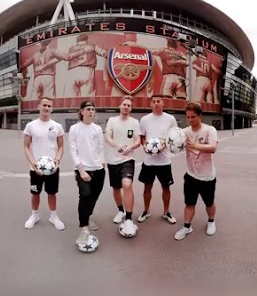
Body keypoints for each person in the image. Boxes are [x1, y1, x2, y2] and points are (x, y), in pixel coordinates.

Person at [174, 102, 218, 240]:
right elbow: (173, 143)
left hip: (207, 177)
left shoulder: (209, 130)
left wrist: (195, 145)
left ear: (200, 116)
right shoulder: (185, 132)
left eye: (193, 117)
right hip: (191, 175)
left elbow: (213, 148)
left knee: (209, 203)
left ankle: (211, 221)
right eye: (188, 117)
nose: (190, 120)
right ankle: (187, 227)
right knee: (189, 203)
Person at [22, 97, 65, 230]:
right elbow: (26, 146)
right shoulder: (31, 125)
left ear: (51, 109)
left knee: (52, 193)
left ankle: (53, 216)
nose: (46, 108)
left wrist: (57, 161)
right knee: (35, 192)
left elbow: (61, 146)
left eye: (49, 106)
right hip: (35, 168)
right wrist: (33, 162)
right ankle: (34, 215)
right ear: (39, 106)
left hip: (52, 168)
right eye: (44, 105)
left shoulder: (57, 126)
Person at [69, 100, 106, 246]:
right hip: (83, 170)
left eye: (93, 109)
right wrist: (81, 169)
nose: (91, 111)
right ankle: (84, 227)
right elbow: (73, 150)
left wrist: (102, 165)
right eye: (88, 109)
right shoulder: (74, 129)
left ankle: (88, 216)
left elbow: (100, 148)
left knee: (94, 197)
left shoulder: (97, 129)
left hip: (98, 169)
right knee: (84, 196)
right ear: (82, 112)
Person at [138, 94, 178, 225]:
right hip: (149, 161)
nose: (156, 103)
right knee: (147, 187)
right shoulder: (144, 119)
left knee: (166, 188)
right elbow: (142, 137)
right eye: (154, 101)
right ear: (151, 104)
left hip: (164, 161)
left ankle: (166, 212)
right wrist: (144, 146)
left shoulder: (170, 119)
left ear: (163, 103)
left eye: (158, 101)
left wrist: (164, 144)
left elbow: (174, 136)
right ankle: (146, 210)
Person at [104, 95, 141, 236]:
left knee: (127, 184)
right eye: (124, 104)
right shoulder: (112, 121)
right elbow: (108, 137)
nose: (126, 107)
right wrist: (117, 146)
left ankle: (129, 219)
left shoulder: (134, 122)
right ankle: (121, 210)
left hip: (127, 159)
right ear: (120, 106)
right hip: (113, 160)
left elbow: (138, 140)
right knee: (116, 187)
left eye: (129, 105)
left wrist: (131, 147)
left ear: (131, 108)